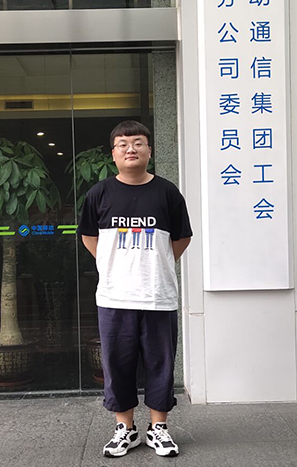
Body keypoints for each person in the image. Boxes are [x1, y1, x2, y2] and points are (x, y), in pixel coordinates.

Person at [78, 120, 192, 458]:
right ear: (113, 154)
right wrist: (113, 265)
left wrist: (156, 264)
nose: (131, 149)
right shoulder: (99, 194)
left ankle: (159, 428)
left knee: (161, 364)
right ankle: (125, 429)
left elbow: (182, 238)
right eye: (123, 144)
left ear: (149, 151)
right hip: (114, 297)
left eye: (138, 143)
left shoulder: (167, 192)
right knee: (118, 365)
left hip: (158, 296)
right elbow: (88, 236)